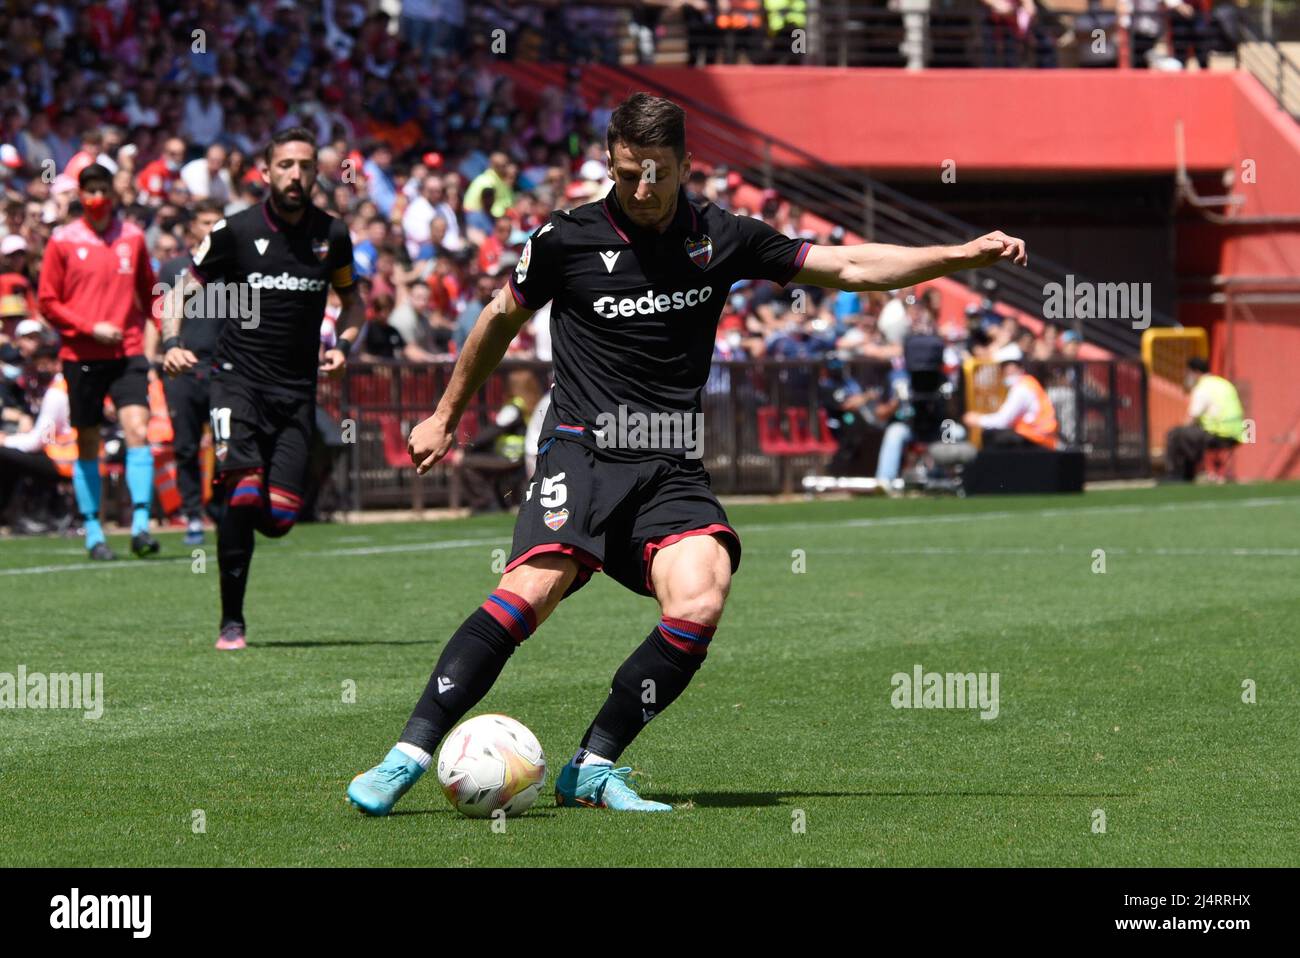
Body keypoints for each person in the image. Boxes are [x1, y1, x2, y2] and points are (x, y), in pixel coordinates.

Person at [346, 92, 1028, 815]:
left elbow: (852, 265)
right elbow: (496, 319)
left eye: (659, 174)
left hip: (670, 460)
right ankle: (408, 755)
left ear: (685, 166)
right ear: (609, 162)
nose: (643, 189)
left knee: (701, 596)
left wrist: (956, 255)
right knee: (533, 590)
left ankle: (593, 766)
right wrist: (445, 415)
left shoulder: (723, 235)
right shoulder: (565, 238)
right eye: (628, 172)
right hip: (583, 450)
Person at [162, 128, 364, 650]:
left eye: (304, 165)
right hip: (236, 382)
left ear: (316, 172)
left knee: (277, 519)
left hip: (295, 391)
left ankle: (239, 498)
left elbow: (353, 302)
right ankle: (232, 621)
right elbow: (185, 287)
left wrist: (343, 343)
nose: (295, 175)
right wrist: (171, 340)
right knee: (243, 490)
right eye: (285, 165)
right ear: (265, 172)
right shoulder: (235, 230)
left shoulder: (332, 234)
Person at [38, 163, 160, 560]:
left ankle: (141, 526)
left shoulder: (134, 237)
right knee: (88, 439)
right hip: (82, 354)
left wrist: (165, 336)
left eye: (102, 189)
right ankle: (94, 531)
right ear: (80, 195)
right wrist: (90, 328)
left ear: (113, 192)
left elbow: (151, 292)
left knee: (138, 429)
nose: (96, 198)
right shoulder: (62, 241)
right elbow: (48, 303)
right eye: (88, 190)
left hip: (127, 351)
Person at [158, 199, 224, 545]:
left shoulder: (233, 266)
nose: (211, 227)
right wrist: (165, 354)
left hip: (223, 369)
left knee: (226, 444)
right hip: (184, 369)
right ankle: (192, 515)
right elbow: (161, 315)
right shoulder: (172, 269)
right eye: (205, 221)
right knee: (185, 446)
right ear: (191, 229)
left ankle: (223, 510)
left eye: (217, 220)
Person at [1164, 356, 1245, 481]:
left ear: (1195, 372)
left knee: (1175, 434)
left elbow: (1191, 419)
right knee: (1187, 434)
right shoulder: (1223, 383)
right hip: (1238, 433)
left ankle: (1175, 475)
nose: (1187, 377)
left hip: (1218, 434)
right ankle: (1192, 473)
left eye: (1188, 373)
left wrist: (1181, 428)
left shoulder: (1202, 388)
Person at [962, 344, 1058, 449]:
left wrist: (977, 419)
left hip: (1038, 440)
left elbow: (1003, 420)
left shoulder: (1022, 389)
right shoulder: (1026, 383)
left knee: (990, 435)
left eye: (1005, 367)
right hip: (1039, 438)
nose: (1003, 371)